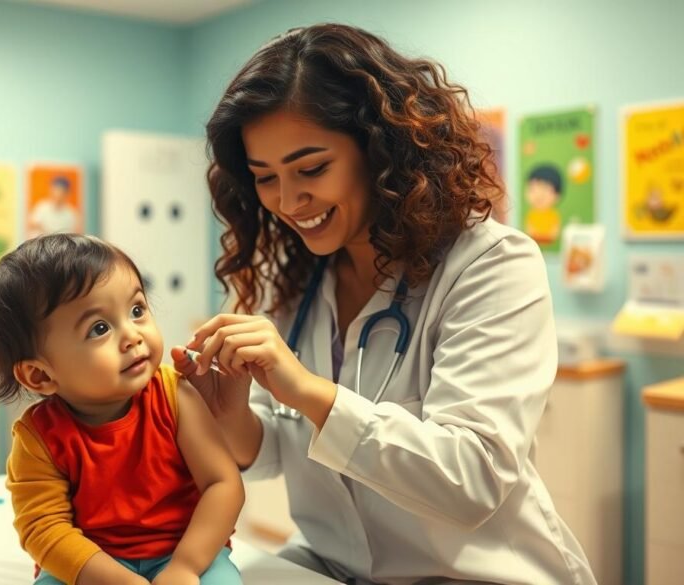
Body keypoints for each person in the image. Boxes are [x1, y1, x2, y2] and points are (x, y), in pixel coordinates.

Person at [173, 23, 595, 585]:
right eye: (265, 178)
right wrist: (231, 418)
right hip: (337, 564)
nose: (288, 201)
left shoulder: (489, 264)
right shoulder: (292, 278)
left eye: (312, 168)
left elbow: (472, 479)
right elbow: (281, 448)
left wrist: (307, 390)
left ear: (380, 149)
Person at [0, 234, 244, 585]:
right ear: (40, 374)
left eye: (137, 310)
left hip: (189, 549)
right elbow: (45, 530)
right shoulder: (39, 437)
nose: (132, 335)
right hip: (91, 566)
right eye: (99, 328)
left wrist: (186, 567)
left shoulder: (176, 394)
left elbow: (223, 484)